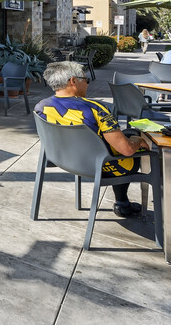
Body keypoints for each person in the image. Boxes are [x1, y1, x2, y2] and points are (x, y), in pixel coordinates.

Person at [35, 61, 148, 217]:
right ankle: (122, 203)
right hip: (99, 166)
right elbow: (126, 150)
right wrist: (138, 140)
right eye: (85, 79)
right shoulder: (95, 108)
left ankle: (123, 203)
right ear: (73, 81)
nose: (87, 84)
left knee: (128, 133)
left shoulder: (40, 107)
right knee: (133, 141)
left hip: (66, 160)